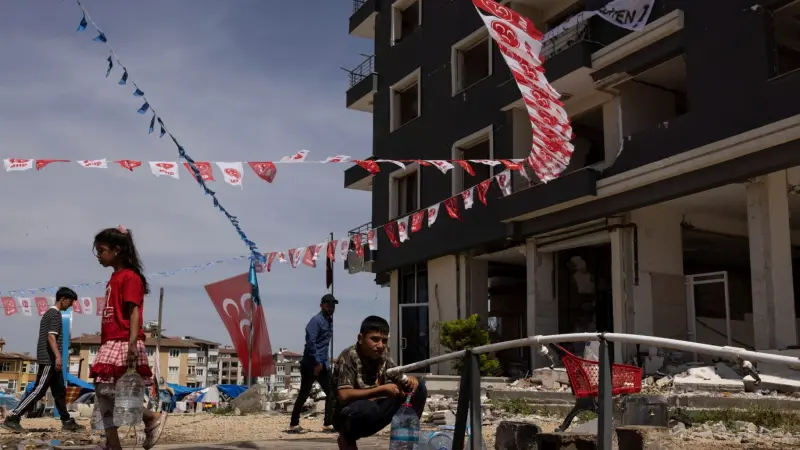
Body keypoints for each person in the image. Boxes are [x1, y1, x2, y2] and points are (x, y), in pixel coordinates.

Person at [90, 226, 167, 450]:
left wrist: (133, 342)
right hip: (111, 340)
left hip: (124, 340)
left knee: (111, 391)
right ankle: (113, 444)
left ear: (117, 250)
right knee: (102, 392)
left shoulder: (130, 278)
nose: (99, 256)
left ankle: (150, 417)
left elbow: (133, 311)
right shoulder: (114, 278)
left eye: (101, 250)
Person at [332, 316, 426, 450]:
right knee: (367, 408)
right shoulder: (348, 356)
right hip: (348, 414)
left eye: (384, 340)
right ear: (360, 338)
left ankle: (407, 438)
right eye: (374, 339)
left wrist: (409, 381)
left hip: (375, 409)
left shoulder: (384, 355)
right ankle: (347, 437)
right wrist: (382, 390)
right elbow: (344, 395)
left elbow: (397, 377)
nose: (380, 345)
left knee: (418, 388)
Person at [1, 288, 85, 433]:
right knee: (38, 390)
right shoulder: (55, 314)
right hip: (49, 360)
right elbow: (51, 337)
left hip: (51, 359)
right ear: (63, 299)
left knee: (59, 391)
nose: (70, 305)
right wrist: (58, 356)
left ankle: (67, 421)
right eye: (70, 302)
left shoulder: (49, 314)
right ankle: (13, 417)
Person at [288, 294, 337, 433]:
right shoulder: (316, 321)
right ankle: (293, 424)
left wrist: (325, 363)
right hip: (311, 364)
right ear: (321, 305)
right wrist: (316, 362)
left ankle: (328, 423)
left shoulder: (329, 321)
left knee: (332, 392)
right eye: (328, 304)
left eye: (333, 305)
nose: (331, 307)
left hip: (323, 364)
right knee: (304, 393)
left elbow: (324, 345)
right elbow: (311, 343)